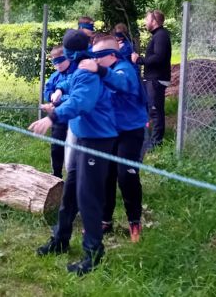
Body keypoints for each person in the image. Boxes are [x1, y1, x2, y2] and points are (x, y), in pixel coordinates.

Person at [29, 29, 117, 276]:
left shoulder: (88, 73)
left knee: (88, 197)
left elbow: (81, 102)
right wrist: (59, 93)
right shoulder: (82, 67)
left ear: (70, 53)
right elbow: (72, 84)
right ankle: (60, 239)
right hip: (83, 138)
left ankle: (93, 254)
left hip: (96, 140)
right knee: (70, 193)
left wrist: (52, 117)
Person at [79, 36, 148, 242]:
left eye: (99, 56)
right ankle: (105, 220)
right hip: (108, 131)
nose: (95, 60)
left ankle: (134, 221)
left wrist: (99, 70)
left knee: (126, 175)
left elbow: (121, 83)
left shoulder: (124, 69)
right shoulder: (101, 71)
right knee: (106, 174)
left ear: (112, 55)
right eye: (93, 56)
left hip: (131, 131)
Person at [132, 10, 171, 149]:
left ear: (154, 21)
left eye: (147, 19)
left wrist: (140, 60)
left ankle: (156, 144)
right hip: (152, 79)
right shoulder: (158, 35)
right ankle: (150, 140)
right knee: (151, 110)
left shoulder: (161, 36)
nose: (145, 22)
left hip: (156, 80)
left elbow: (159, 58)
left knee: (155, 112)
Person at [43, 45, 75, 178]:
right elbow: (47, 91)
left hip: (74, 118)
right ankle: (56, 175)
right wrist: (51, 97)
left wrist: (59, 101)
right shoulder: (54, 76)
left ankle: (73, 176)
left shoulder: (77, 73)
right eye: (54, 62)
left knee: (73, 148)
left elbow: (75, 96)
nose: (58, 65)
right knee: (56, 145)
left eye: (60, 61)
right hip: (59, 117)